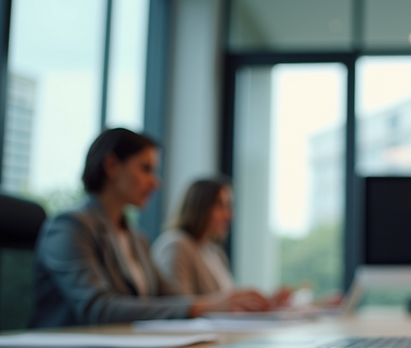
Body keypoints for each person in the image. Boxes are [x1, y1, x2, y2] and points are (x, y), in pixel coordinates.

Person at [31, 128, 272, 327]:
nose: (156, 182)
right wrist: (205, 305)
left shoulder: (137, 238)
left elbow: (173, 297)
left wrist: (232, 302)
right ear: (112, 165)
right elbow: (97, 308)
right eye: (146, 169)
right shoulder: (70, 226)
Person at [152, 176, 290, 305]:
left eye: (229, 205)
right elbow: (180, 305)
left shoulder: (215, 252)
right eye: (220, 205)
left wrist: (266, 303)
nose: (228, 214)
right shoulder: (177, 245)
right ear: (199, 206)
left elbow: (229, 302)